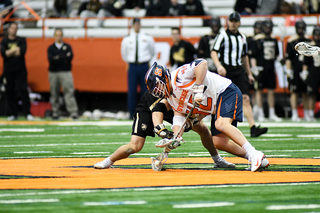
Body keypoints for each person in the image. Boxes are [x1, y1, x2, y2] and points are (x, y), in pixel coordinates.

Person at [145, 60, 269, 172]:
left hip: (225, 91)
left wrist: (198, 87)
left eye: (157, 86)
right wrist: (174, 139)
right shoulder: (171, 98)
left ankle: (253, 153)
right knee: (219, 142)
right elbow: (179, 119)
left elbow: (202, 63)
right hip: (216, 106)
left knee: (221, 124)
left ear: (165, 78)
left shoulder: (179, 75)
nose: (157, 91)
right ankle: (256, 158)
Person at [94, 90, 235, 170]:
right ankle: (108, 161)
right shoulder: (163, 94)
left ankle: (217, 159)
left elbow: (198, 113)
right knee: (135, 146)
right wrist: (163, 132)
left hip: (173, 109)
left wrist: (188, 124)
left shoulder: (182, 86)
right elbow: (157, 113)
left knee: (202, 129)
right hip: (148, 110)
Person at [211, 12, 268, 137]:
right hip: (226, 70)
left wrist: (249, 73)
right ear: (227, 22)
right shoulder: (222, 35)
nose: (233, 23)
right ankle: (219, 125)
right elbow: (214, 52)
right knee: (221, 98)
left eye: (235, 21)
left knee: (246, 98)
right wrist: (219, 66)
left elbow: (245, 56)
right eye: (231, 21)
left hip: (239, 70)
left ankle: (253, 127)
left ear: (239, 23)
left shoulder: (242, 37)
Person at [121, 18, 155, 119]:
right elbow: (124, 53)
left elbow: (152, 51)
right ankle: (132, 113)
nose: (136, 26)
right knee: (132, 90)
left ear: (140, 25)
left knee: (145, 90)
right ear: (132, 25)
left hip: (144, 65)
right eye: (135, 24)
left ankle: (144, 112)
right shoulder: (127, 38)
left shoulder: (147, 37)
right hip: (133, 65)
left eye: (138, 24)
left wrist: (147, 59)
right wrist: (129, 61)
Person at [250, 19, 283, 122]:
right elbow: (253, 56)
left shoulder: (274, 40)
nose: (268, 29)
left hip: (271, 68)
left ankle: (272, 113)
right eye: (266, 27)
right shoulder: (257, 40)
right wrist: (254, 68)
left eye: (269, 27)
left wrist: (281, 59)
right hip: (260, 68)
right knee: (259, 91)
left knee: (271, 91)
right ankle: (261, 113)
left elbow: (277, 55)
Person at [0, 22, 34, 121]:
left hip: (21, 70)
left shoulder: (21, 40)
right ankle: (13, 113)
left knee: (23, 90)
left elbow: (21, 52)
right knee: (9, 91)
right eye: (12, 28)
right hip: (8, 70)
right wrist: (14, 50)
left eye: (16, 28)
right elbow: (4, 54)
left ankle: (27, 113)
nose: (14, 30)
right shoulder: (4, 41)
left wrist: (10, 52)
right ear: (8, 29)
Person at [47, 28, 79, 120]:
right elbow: (51, 60)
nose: (59, 37)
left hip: (66, 72)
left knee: (69, 92)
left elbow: (70, 58)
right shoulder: (51, 48)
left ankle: (73, 112)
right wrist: (63, 58)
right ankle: (55, 112)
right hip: (54, 72)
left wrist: (58, 57)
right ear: (54, 36)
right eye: (57, 35)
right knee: (54, 92)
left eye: (60, 35)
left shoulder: (67, 47)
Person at [285, 19, 311, 122]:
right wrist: (289, 71)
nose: (300, 30)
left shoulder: (308, 41)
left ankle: (307, 113)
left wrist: (307, 70)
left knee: (306, 92)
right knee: (294, 92)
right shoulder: (291, 41)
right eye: (299, 28)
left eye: (302, 28)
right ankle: (294, 113)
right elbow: (288, 58)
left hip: (306, 70)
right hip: (295, 69)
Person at [301, 26, 320, 121]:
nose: (317, 36)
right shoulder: (310, 47)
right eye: (316, 35)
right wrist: (305, 72)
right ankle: (310, 113)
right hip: (313, 73)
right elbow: (305, 62)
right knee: (312, 94)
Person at [247, 20, 263, 120]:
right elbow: (251, 55)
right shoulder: (252, 40)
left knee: (258, 90)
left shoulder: (262, 39)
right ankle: (252, 111)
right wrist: (253, 68)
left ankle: (258, 111)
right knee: (251, 90)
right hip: (252, 68)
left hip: (261, 67)